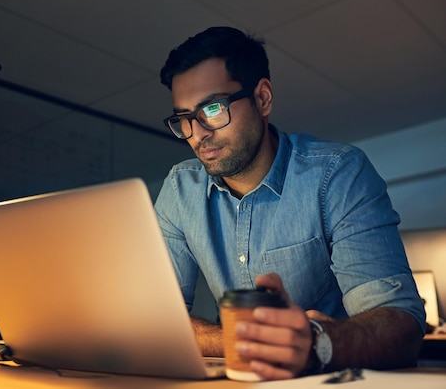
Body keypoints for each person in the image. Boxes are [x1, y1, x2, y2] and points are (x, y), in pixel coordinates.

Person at [154, 26, 426, 380]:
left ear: (263, 98)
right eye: (185, 118)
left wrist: (315, 344)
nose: (199, 132)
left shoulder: (338, 174)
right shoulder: (179, 189)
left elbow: (400, 323)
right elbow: (159, 319)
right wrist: (246, 344)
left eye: (214, 108)